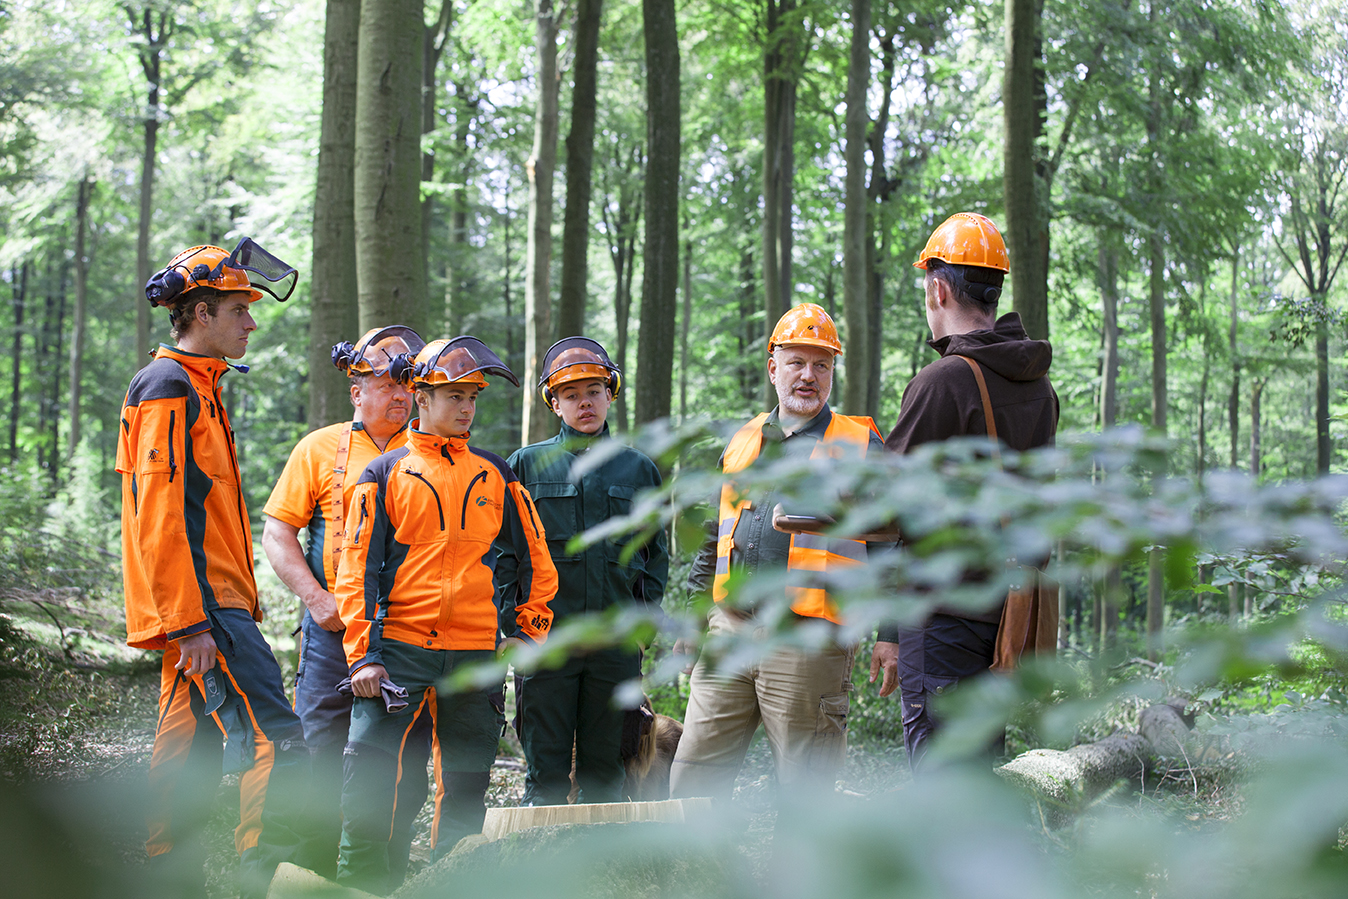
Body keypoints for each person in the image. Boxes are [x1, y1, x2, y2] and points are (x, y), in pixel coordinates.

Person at [117, 239, 309, 898]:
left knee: (188, 748)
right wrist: (190, 621)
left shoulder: (198, 385)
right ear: (199, 313)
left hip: (206, 606)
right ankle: (268, 878)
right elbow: (161, 516)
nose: (250, 322)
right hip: (204, 607)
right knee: (278, 739)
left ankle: (165, 874)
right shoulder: (169, 386)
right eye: (238, 310)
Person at [334, 336, 558, 894]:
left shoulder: (496, 472)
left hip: (475, 654)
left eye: (473, 397)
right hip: (400, 653)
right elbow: (356, 569)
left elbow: (535, 559)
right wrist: (363, 654)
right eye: (454, 395)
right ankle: (362, 888)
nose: (466, 408)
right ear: (420, 395)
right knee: (369, 785)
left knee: (464, 789)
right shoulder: (384, 473)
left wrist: (528, 629)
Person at [868, 212, 1059, 769]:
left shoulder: (944, 381)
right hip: (1005, 617)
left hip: (944, 615)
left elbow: (885, 505)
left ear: (939, 287)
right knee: (978, 768)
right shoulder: (1037, 387)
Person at [669, 304, 883, 801]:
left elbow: (896, 541)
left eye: (822, 364)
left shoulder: (861, 444)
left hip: (809, 640)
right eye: (796, 362)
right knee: (691, 781)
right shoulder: (743, 440)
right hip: (729, 630)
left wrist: (891, 635)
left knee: (804, 795)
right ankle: (693, 876)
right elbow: (715, 535)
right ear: (773, 368)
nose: (809, 376)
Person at [261, 326, 432, 880]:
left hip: (408, 634)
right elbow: (277, 533)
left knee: (398, 758)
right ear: (356, 390)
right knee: (320, 750)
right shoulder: (319, 448)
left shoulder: (431, 453)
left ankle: (385, 874)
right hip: (332, 633)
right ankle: (310, 872)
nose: (400, 394)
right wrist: (314, 598)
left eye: (408, 384)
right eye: (386, 383)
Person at [503, 337, 669, 806]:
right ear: (553, 403)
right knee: (546, 775)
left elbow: (656, 555)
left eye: (594, 390)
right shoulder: (525, 465)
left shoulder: (638, 469)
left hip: (614, 646)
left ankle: (604, 876)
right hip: (545, 643)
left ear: (610, 394)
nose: (585, 403)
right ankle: (543, 874)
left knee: (606, 774)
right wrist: (511, 627)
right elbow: (502, 555)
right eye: (571, 394)